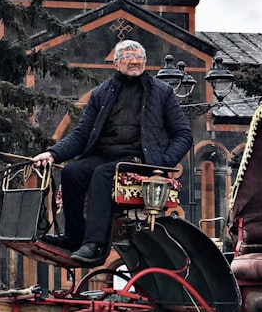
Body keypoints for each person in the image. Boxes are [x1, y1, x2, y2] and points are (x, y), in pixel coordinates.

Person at [32, 39, 193, 266]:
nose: (135, 61)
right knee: (72, 172)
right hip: (104, 154)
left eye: (139, 58)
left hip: (140, 159)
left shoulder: (162, 92)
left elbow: (184, 134)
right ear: (116, 64)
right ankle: (74, 238)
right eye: (128, 57)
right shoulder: (101, 93)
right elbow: (82, 134)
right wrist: (52, 154)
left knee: (104, 174)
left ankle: (95, 245)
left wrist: (163, 163)